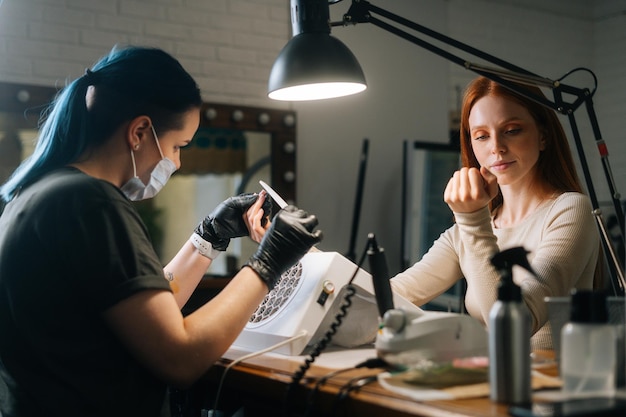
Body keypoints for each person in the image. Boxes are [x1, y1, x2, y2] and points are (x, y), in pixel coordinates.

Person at [0, 45, 322, 417]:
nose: (178, 161)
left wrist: (208, 236)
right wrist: (270, 261)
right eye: (177, 146)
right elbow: (180, 358)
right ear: (139, 131)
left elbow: (149, 313)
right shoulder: (91, 203)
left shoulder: (41, 193)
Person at [391, 76, 600, 351]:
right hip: (493, 379)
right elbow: (396, 293)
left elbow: (516, 325)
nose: (496, 148)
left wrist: (472, 219)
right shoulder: (474, 226)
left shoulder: (570, 210)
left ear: (543, 136)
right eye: (481, 136)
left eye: (512, 130)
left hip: (550, 385)